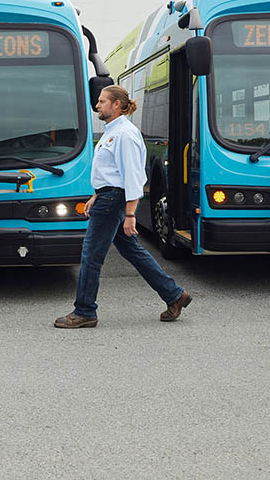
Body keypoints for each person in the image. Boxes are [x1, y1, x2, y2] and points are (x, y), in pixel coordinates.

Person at [54, 84, 192, 328]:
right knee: (133, 252)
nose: (97, 105)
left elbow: (133, 176)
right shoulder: (113, 131)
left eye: (102, 101)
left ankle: (85, 311)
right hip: (108, 197)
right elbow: (111, 173)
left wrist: (130, 214)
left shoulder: (125, 134)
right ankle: (174, 295)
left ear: (116, 105)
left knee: (91, 255)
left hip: (113, 201)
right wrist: (97, 195)